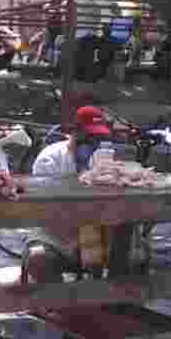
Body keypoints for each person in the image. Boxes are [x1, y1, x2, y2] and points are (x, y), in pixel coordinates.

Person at [26, 106, 113, 284]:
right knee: (38, 258)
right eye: (88, 136)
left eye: (98, 137)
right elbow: (44, 208)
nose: (93, 141)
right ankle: (58, 304)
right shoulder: (50, 158)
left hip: (93, 230)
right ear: (75, 131)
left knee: (135, 252)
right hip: (54, 231)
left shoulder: (103, 159)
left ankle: (110, 301)